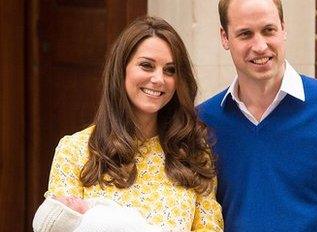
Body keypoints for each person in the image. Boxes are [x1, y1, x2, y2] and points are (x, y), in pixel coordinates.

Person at [196, 0, 317, 231]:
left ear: (283, 28)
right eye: (245, 34)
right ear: (225, 38)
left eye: (268, 30)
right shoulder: (203, 122)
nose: (260, 46)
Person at [43, 16, 223, 232]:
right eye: (146, 66)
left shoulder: (194, 153)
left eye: (170, 70)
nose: (159, 79)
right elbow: (57, 224)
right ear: (121, 70)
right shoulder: (75, 150)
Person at [33, 195, 161, 232]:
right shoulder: (96, 220)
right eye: (69, 202)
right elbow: (131, 222)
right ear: (68, 218)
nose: (73, 196)